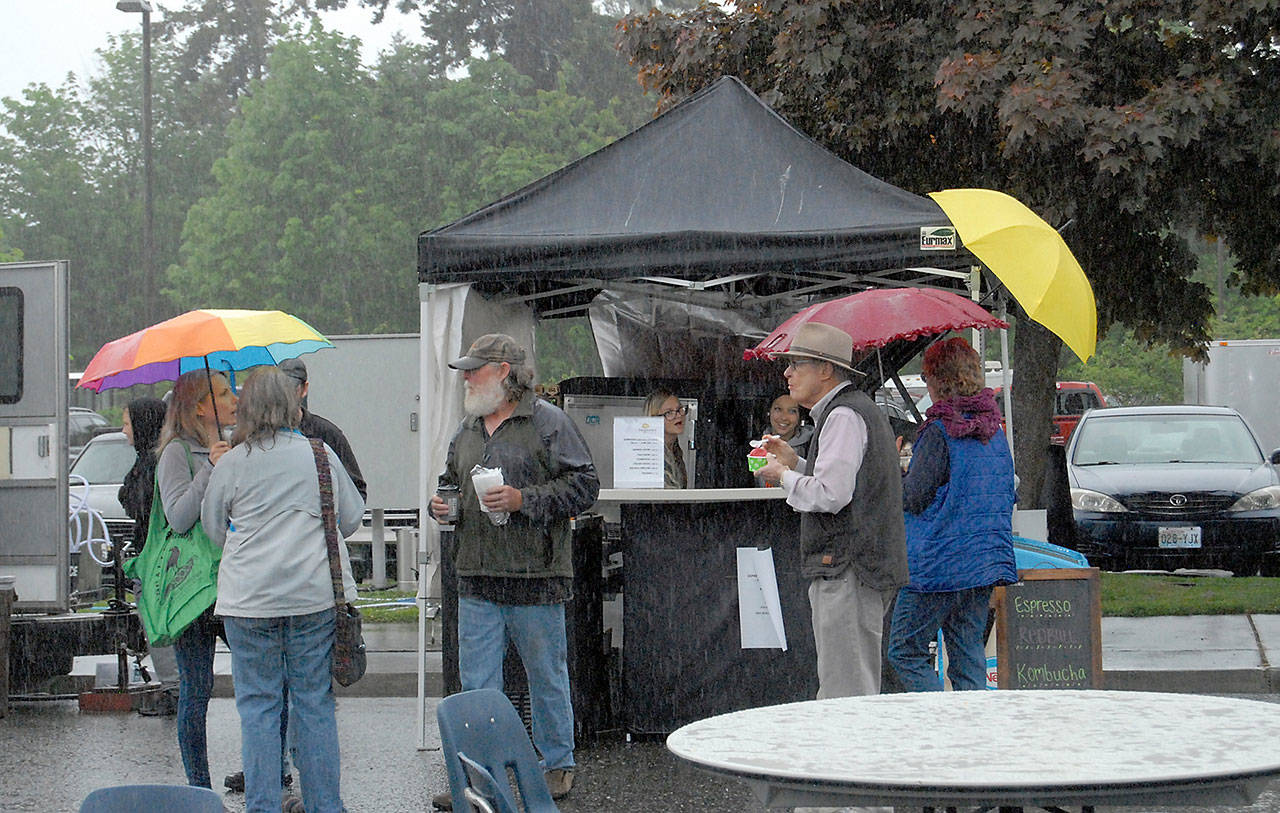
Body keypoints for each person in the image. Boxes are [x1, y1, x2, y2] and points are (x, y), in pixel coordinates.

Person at [429, 334, 599, 810]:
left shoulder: (548, 423)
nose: (465, 377)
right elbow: (449, 481)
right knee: (477, 686)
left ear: (504, 371)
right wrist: (443, 505)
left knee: (545, 676)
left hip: (536, 576)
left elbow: (586, 485)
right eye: (465, 369)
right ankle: (478, 779)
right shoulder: (467, 428)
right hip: (477, 575)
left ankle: (556, 765)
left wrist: (525, 500)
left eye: (474, 369)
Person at [202, 366, 363, 813]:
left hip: (249, 603)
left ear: (247, 408)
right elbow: (350, 519)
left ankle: (263, 805)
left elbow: (214, 529)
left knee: (258, 708)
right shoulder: (319, 454)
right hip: (313, 598)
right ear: (294, 404)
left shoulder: (232, 462)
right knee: (314, 704)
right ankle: (324, 806)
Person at [758, 323, 909, 699]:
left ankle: (849, 758)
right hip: (855, 568)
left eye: (796, 364)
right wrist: (796, 462)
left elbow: (830, 494)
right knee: (847, 686)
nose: (787, 373)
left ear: (825, 370)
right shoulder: (849, 411)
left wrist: (783, 476)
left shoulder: (843, 416)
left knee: (846, 694)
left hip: (848, 569)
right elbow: (846, 485)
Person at [887, 337, 1016, 691]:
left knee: (905, 651)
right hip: (982, 563)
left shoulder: (939, 431)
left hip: (938, 563)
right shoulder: (995, 431)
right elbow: (1006, 491)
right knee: (967, 653)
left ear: (937, 380)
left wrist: (894, 474)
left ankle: (940, 720)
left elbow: (914, 498)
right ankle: (973, 731)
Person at [155, 369, 236, 788]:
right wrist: (210, 468)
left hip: (236, 584)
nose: (234, 398)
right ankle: (199, 788)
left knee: (262, 685)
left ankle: (271, 772)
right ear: (201, 406)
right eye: (223, 393)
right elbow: (179, 517)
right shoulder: (176, 454)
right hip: (193, 590)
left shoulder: (236, 444)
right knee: (196, 688)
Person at [118, 397, 180, 716]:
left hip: (154, 557)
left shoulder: (154, 463)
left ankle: (173, 688)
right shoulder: (152, 459)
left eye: (127, 422)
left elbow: (142, 505)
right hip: (157, 554)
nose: (123, 429)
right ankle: (176, 687)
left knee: (156, 624)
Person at [279, 357, 367, 501]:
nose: (285, 397)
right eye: (280, 390)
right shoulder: (262, 435)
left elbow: (357, 491)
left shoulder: (327, 435)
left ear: (304, 389)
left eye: (291, 390)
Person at [755, 394, 812, 486]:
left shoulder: (813, 444)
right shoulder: (754, 443)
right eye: (778, 409)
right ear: (769, 412)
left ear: (800, 416)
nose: (784, 417)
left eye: (792, 411)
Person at [644, 389, 689, 488]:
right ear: (654, 419)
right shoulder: (648, 453)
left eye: (679, 409)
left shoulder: (676, 451)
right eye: (669, 413)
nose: (678, 416)